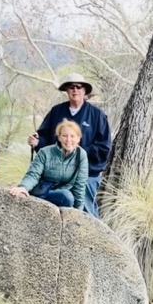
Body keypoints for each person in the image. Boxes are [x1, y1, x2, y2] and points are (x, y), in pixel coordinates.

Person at [28, 72, 110, 216]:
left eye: (79, 87)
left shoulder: (97, 115)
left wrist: (78, 153)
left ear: (84, 90)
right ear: (66, 90)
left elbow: (104, 148)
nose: (75, 90)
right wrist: (37, 142)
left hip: (87, 172)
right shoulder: (56, 111)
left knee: (85, 207)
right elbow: (45, 137)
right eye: (71, 87)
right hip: (56, 169)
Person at [10, 120, 88, 210]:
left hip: (61, 195)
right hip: (41, 191)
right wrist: (23, 187)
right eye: (64, 136)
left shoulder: (81, 155)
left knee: (67, 196)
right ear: (59, 137)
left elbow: (80, 185)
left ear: (78, 138)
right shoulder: (45, 152)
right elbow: (33, 174)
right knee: (66, 196)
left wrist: (79, 211)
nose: (68, 140)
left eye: (72, 136)